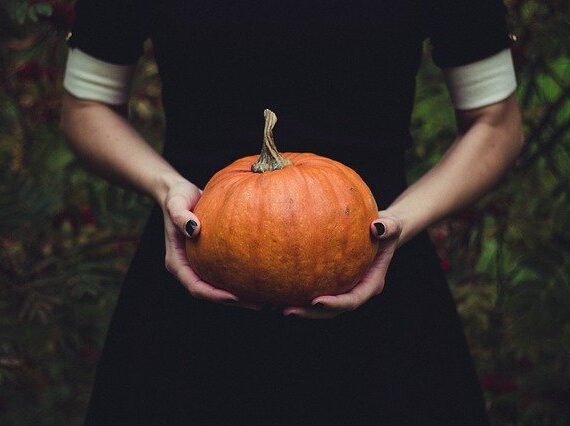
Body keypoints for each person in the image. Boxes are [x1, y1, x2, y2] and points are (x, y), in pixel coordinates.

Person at [59, 0, 524, 424]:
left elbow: (496, 124)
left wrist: (400, 222)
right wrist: (167, 189)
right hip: (195, 262)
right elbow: (86, 106)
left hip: (378, 268)